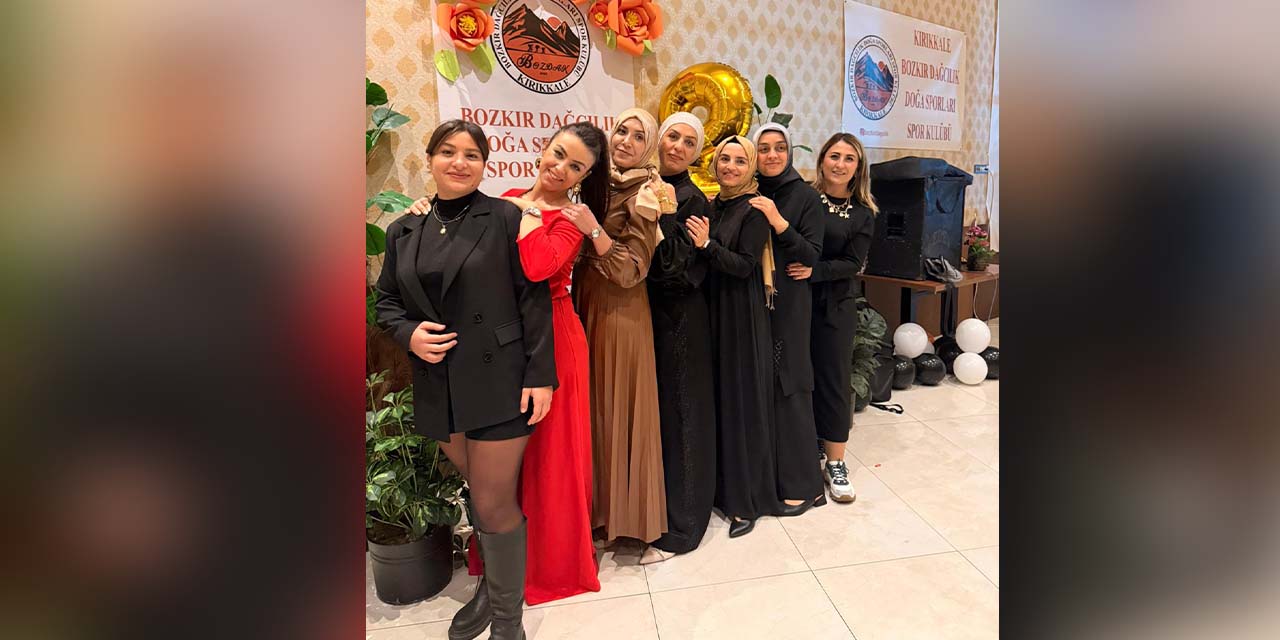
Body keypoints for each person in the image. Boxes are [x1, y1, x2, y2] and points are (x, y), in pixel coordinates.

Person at [407, 122, 609, 606]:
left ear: (584, 176)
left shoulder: (570, 218)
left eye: (575, 166)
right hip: (502, 339)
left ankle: (544, 570)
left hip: (554, 337)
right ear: (544, 148)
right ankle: (500, 570)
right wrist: (425, 211)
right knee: (499, 460)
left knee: (549, 457)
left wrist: (530, 217)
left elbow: (538, 268)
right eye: (558, 153)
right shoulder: (509, 199)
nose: (559, 168)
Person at [375, 119, 555, 640]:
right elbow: (386, 301)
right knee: (478, 493)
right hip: (439, 381)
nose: (459, 162)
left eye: (472, 155)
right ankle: (491, 592)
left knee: (494, 502)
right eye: (448, 152)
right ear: (430, 158)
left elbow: (533, 299)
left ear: (484, 165)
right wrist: (408, 334)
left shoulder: (504, 216)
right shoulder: (404, 229)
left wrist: (540, 375)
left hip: (501, 379)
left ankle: (508, 625)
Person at [572, 107, 675, 547]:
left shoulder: (647, 195)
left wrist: (594, 232)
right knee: (593, 409)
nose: (626, 142)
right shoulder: (597, 181)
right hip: (585, 306)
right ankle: (596, 515)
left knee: (617, 408)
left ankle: (628, 522)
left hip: (621, 312)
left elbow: (632, 269)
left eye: (638, 137)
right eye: (621, 131)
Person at [686, 135, 779, 538]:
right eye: (725, 159)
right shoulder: (713, 205)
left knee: (740, 405)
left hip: (740, 316)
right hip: (713, 312)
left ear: (751, 167)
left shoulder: (754, 210)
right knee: (718, 402)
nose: (730, 166)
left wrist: (706, 245)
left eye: (740, 161)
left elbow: (743, 266)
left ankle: (746, 502)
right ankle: (721, 491)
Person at [641, 112, 717, 564]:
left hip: (680, 319)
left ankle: (684, 528)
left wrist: (665, 217)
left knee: (682, 415)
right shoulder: (642, 184)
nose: (678, 147)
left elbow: (675, 269)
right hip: (644, 317)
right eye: (673, 136)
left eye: (689, 143)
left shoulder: (692, 200)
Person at [791, 133, 877, 503]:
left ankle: (836, 461)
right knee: (797, 375)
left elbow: (852, 263)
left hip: (834, 306)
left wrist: (815, 272)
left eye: (849, 158)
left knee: (833, 380)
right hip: (796, 302)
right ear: (822, 159)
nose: (840, 164)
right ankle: (805, 447)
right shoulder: (803, 198)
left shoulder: (863, 213)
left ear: (858, 168)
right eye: (834, 156)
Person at [753, 123, 826, 515]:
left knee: (791, 386)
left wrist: (778, 221)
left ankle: (804, 484)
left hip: (790, 304)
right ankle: (769, 479)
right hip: (754, 303)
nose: (771, 155)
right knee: (762, 388)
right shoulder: (750, 190)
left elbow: (811, 254)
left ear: (790, 152)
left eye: (779, 148)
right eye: (764, 148)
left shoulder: (805, 196)